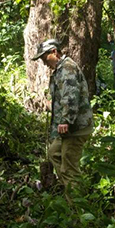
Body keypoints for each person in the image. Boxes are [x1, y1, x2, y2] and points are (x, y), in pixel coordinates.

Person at [31, 39, 93, 189]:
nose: (44, 63)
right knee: (53, 153)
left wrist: (65, 120)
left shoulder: (67, 68)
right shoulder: (60, 70)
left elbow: (71, 96)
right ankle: (69, 186)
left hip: (75, 127)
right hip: (68, 128)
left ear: (54, 52)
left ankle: (78, 206)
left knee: (69, 168)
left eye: (45, 58)